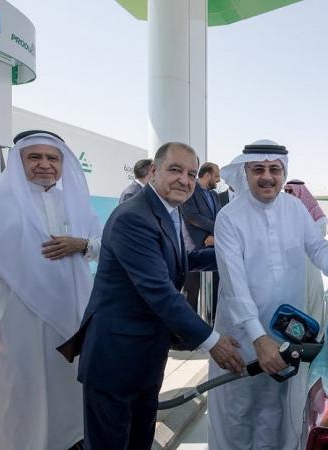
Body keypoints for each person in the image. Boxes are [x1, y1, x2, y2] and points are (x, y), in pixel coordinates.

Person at [58, 142, 245, 450]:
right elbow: (159, 290)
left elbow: (184, 259)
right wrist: (213, 341)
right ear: (154, 171)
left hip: (146, 355)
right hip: (115, 358)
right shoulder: (133, 217)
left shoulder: (166, 211)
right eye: (175, 170)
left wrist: (231, 256)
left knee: (139, 441)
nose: (184, 180)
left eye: (191, 173)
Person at [208, 140, 328, 450]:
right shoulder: (229, 218)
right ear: (245, 173)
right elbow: (235, 287)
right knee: (240, 411)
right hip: (242, 337)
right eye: (258, 170)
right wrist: (258, 339)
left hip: (285, 332)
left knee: (276, 408)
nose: (267, 177)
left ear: (283, 172)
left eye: (274, 170)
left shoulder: (294, 208)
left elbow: (317, 247)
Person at [0, 130, 102, 450]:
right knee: (22, 390)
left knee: (69, 388)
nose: (44, 165)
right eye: (34, 157)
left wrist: (82, 245)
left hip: (73, 315)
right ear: (19, 161)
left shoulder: (77, 204)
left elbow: (106, 248)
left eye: (52, 158)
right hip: (20, 319)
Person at [284, 179, 328, 326]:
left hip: (310, 264)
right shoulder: (284, 212)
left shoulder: (315, 213)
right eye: (287, 191)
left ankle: (315, 334)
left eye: (291, 191)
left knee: (313, 298)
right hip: (291, 266)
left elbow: (317, 240)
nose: (288, 194)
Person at [180, 162, 221, 313]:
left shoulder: (214, 195)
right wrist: (216, 228)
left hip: (213, 248)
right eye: (216, 176)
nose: (218, 180)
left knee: (212, 295)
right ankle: (186, 333)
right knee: (191, 295)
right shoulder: (190, 190)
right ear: (207, 175)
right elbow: (192, 216)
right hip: (195, 249)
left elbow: (220, 217)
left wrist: (214, 234)